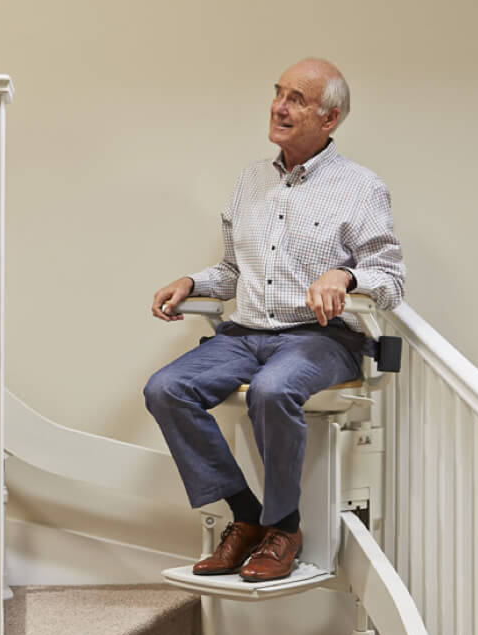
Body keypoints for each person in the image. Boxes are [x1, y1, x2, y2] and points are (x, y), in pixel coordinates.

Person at [143, 58, 404, 582]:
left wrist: (344, 278)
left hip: (319, 338)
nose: (279, 106)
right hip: (245, 333)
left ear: (329, 119)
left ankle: (284, 526)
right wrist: (192, 282)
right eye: (279, 93)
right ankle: (247, 517)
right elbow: (233, 270)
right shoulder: (250, 182)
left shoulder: (361, 187)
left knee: (271, 389)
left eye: (297, 100)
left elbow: (390, 279)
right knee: (166, 388)